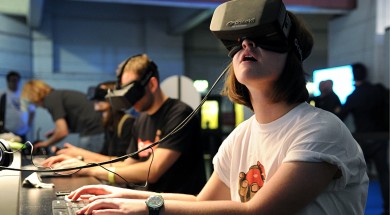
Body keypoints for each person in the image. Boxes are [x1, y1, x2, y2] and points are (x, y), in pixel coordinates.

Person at [67, 1, 369, 214]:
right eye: (239, 42)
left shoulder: (321, 130)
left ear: (292, 55)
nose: (246, 46)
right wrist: (123, 194)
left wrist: (148, 208)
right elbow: (201, 203)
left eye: (262, 39)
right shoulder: (240, 137)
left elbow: (256, 212)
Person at [43, 54, 206, 195]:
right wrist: (82, 160)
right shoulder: (142, 119)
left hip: (176, 206)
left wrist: (90, 169)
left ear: (152, 84)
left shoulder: (179, 114)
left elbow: (153, 170)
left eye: (132, 92)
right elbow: (126, 163)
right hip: (149, 201)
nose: (130, 100)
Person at [336, 62, 389, 215]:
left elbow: (340, 118)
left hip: (363, 139)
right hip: (381, 138)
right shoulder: (378, 91)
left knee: (356, 177)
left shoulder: (353, 96)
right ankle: (388, 208)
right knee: (384, 174)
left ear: (353, 76)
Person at [47, 80, 136, 162]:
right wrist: (75, 155)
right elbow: (104, 154)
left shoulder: (127, 123)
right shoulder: (108, 124)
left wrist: (81, 154)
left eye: (101, 95)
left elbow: (122, 160)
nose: (96, 99)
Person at [21, 80, 105, 153]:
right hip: (97, 128)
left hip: (93, 131)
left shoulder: (51, 99)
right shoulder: (56, 95)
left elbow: (62, 132)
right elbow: (71, 121)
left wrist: (45, 144)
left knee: (86, 165)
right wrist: (56, 131)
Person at [0, 71, 35, 142]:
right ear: (8, 81)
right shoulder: (2, 94)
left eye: (16, 80)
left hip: (22, 132)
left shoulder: (24, 95)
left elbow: (32, 111)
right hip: (6, 132)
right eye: (12, 80)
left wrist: (28, 126)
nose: (14, 83)